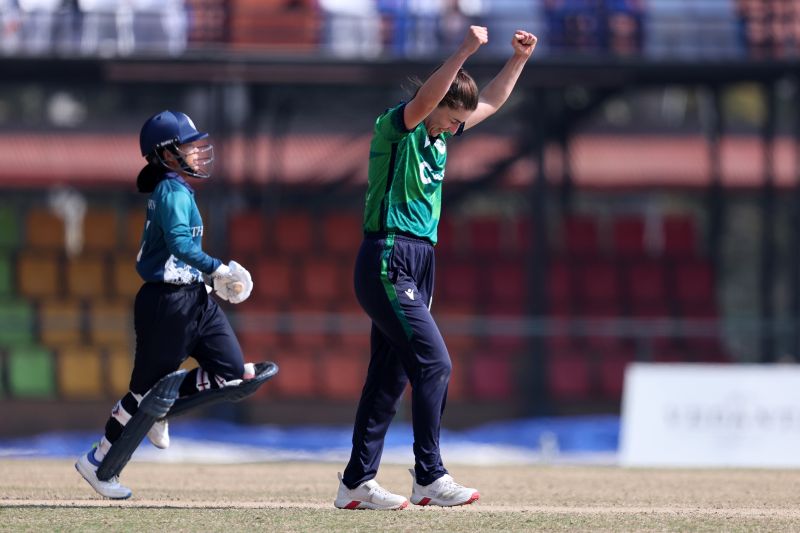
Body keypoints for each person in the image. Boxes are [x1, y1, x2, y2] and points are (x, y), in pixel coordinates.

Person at [334, 25, 538, 510]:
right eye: (449, 119)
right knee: (435, 363)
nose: (452, 128)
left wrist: (518, 60)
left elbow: (490, 101)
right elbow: (427, 101)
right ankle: (429, 475)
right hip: (388, 255)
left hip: (421, 260)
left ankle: (356, 483)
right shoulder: (399, 127)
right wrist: (466, 49)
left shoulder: (440, 135)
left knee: (389, 378)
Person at [75, 110, 255, 499]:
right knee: (142, 393)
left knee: (231, 373)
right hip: (166, 303)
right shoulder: (171, 191)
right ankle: (98, 460)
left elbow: (180, 255)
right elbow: (180, 245)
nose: (197, 151)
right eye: (189, 145)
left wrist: (210, 280)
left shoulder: (178, 188)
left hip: (195, 298)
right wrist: (218, 269)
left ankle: (163, 405)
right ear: (167, 153)